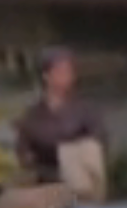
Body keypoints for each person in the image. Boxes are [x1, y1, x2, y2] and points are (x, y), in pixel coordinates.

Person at [12, 45, 107, 199]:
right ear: (46, 76)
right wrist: (30, 161)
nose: (67, 76)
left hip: (80, 188)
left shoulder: (85, 111)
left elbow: (98, 140)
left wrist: (72, 154)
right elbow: (23, 149)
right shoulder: (33, 114)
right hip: (44, 189)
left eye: (69, 72)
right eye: (60, 71)